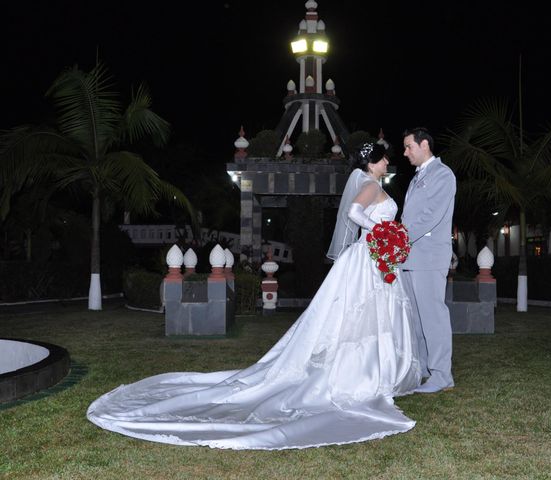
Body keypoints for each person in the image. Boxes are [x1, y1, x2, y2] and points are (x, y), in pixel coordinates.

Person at [87, 142, 421, 450]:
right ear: (374, 161)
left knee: (364, 316)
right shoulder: (370, 185)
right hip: (368, 257)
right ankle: (362, 377)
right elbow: (353, 213)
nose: (389, 161)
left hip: (375, 259)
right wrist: (380, 232)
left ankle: (373, 373)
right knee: (357, 315)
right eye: (385, 157)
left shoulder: (372, 183)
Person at [401, 127, 456, 394]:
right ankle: (424, 368)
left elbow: (431, 216)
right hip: (410, 258)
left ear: (424, 144)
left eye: (409, 146)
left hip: (430, 256)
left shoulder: (443, 175)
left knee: (433, 316)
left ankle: (442, 374)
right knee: (416, 318)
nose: (405, 152)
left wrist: (399, 238)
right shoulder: (415, 178)